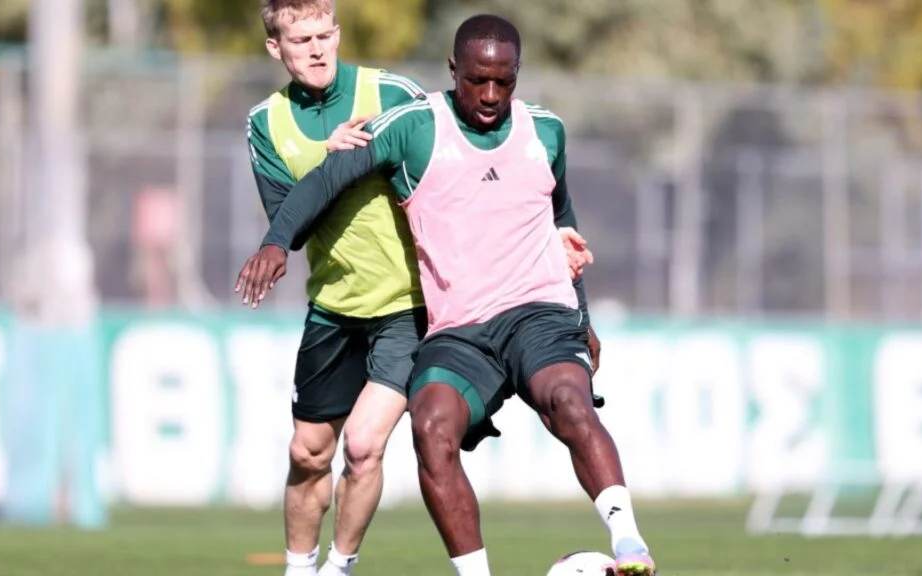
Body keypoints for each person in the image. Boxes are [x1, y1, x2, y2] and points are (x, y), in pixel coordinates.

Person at [235, 13, 656, 576]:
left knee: (562, 402)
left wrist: (581, 313)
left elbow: (561, 219)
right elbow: (327, 178)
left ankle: (629, 543)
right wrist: (276, 242)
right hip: (432, 322)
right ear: (453, 70)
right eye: (478, 80)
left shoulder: (541, 130)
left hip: (498, 311)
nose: (491, 95)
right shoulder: (405, 125)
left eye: (504, 81)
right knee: (400, 431)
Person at [245, 2, 429, 575]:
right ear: (276, 47)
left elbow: (440, 179)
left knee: (364, 445)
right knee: (307, 453)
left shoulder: (392, 94)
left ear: (338, 33)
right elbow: (291, 227)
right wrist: (330, 161)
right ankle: (298, 567)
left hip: (406, 305)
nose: (317, 49)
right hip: (333, 307)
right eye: (301, 40)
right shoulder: (266, 122)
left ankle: (339, 566)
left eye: (325, 35)